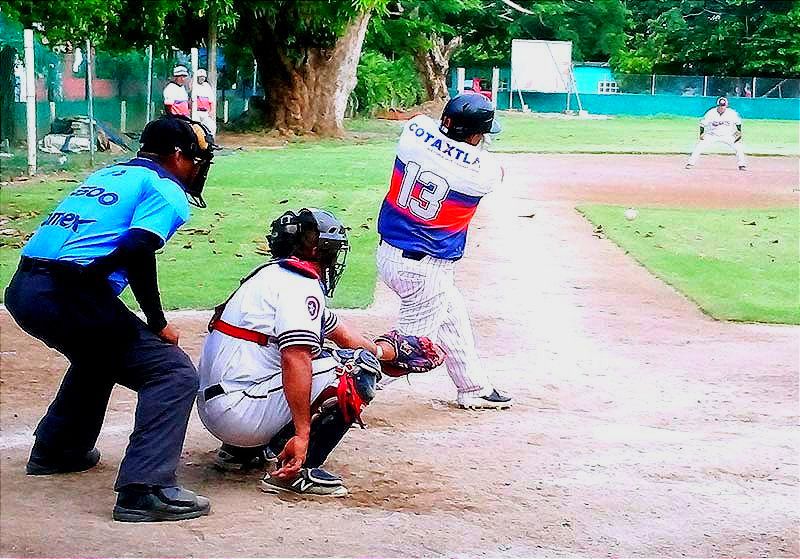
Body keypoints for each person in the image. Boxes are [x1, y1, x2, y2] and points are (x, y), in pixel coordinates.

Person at [4, 115, 218, 522]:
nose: (197, 168)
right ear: (176, 156)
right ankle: (145, 490)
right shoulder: (166, 188)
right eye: (195, 159)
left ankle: (59, 449)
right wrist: (156, 321)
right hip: (67, 292)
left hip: (23, 288)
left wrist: (95, 281)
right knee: (172, 373)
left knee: (100, 353)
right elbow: (138, 251)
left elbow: (124, 249)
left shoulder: (108, 175)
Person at [196, 208, 442, 496]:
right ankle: (299, 469)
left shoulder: (269, 276)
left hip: (221, 406)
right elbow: (295, 358)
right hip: (241, 413)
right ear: (317, 249)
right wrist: (302, 434)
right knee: (356, 369)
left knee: (330, 356)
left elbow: (342, 335)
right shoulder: (301, 285)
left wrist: (385, 352)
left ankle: (240, 452)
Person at [376, 93, 513, 410]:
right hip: (424, 269)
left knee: (452, 314)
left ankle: (473, 387)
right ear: (475, 134)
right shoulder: (484, 172)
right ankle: (328, 391)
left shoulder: (415, 130)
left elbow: (435, 133)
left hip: (390, 253)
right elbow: (491, 168)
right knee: (409, 351)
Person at [686, 96, 747, 170]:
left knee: (739, 147)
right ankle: (690, 163)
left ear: (726, 105)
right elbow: (702, 124)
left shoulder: (732, 113)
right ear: (717, 105)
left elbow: (738, 123)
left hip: (727, 135)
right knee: (699, 146)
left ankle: (742, 165)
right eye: (720, 105)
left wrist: (739, 132)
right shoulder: (711, 113)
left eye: (723, 105)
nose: (722, 107)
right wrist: (701, 133)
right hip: (712, 134)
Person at [194, 69, 216, 136]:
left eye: (203, 77)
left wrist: (211, 111)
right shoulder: (194, 86)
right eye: (200, 77)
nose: (202, 78)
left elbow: (211, 100)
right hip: (196, 112)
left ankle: (210, 140)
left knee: (211, 127)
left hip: (205, 112)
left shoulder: (207, 86)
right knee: (197, 129)